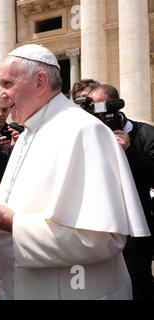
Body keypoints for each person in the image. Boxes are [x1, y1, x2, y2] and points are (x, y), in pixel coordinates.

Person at [0, 44, 150, 299]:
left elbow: (104, 238)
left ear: (39, 82)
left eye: (7, 84)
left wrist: (9, 223)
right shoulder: (29, 132)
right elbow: (13, 206)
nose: (0, 96)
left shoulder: (85, 131)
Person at [88, 84, 154, 299]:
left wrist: (129, 150)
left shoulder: (144, 133)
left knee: (138, 283)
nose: (98, 117)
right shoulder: (90, 136)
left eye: (101, 110)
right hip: (101, 229)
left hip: (135, 232)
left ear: (115, 107)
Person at [0, 90, 23, 156]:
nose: (0, 114)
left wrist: (20, 146)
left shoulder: (19, 132)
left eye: (4, 110)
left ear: (9, 110)